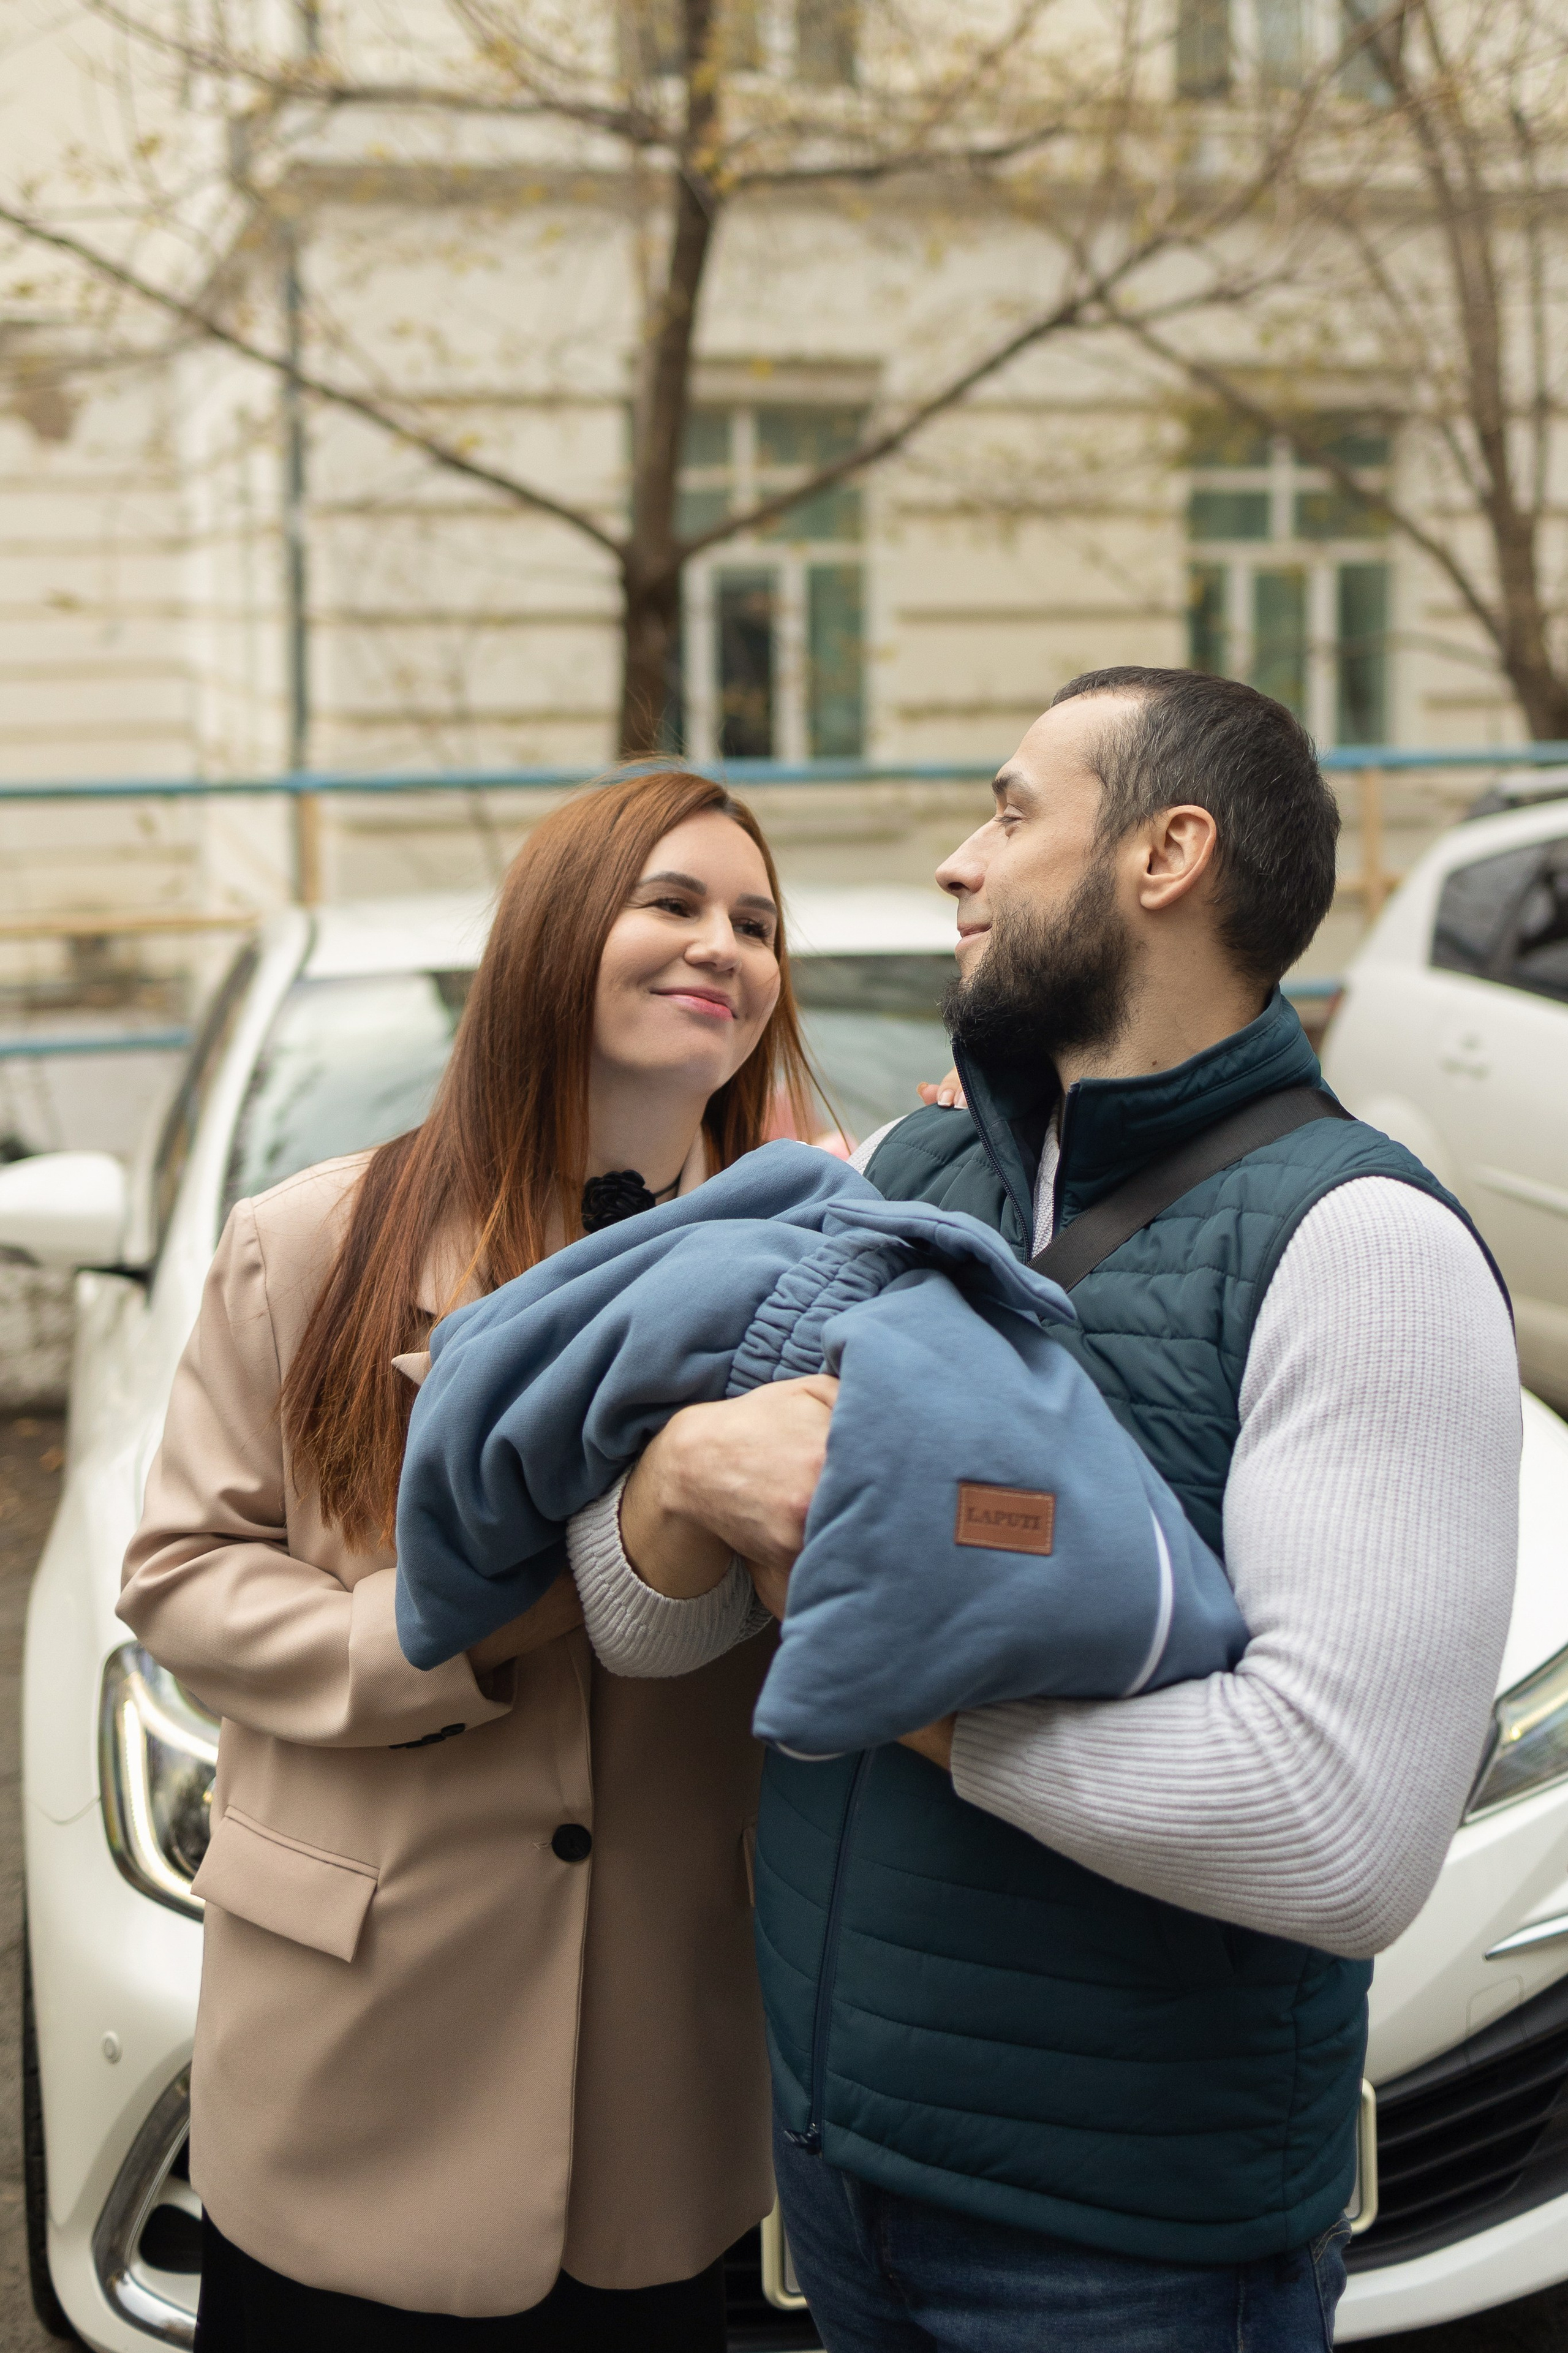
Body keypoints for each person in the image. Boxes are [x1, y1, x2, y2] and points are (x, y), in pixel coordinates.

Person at [601, 670, 1522, 2352]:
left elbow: (1340, 1828)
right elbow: (648, 1612)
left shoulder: (1365, 1251)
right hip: (837, 2172)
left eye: (1014, 811)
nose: (962, 862)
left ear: (1168, 853)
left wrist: (898, 1685)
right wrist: (672, 1479)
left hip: (1130, 2249)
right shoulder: (913, 1177)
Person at [117, 767, 820, 2351]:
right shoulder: (312, 1240)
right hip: (359, 2055)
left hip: (660, 2067)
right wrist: (443, 1637)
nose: (723, 944)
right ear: (554, 936)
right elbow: (179, 1575)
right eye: (674, 901)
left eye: (757, 922)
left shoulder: (812, 1271)